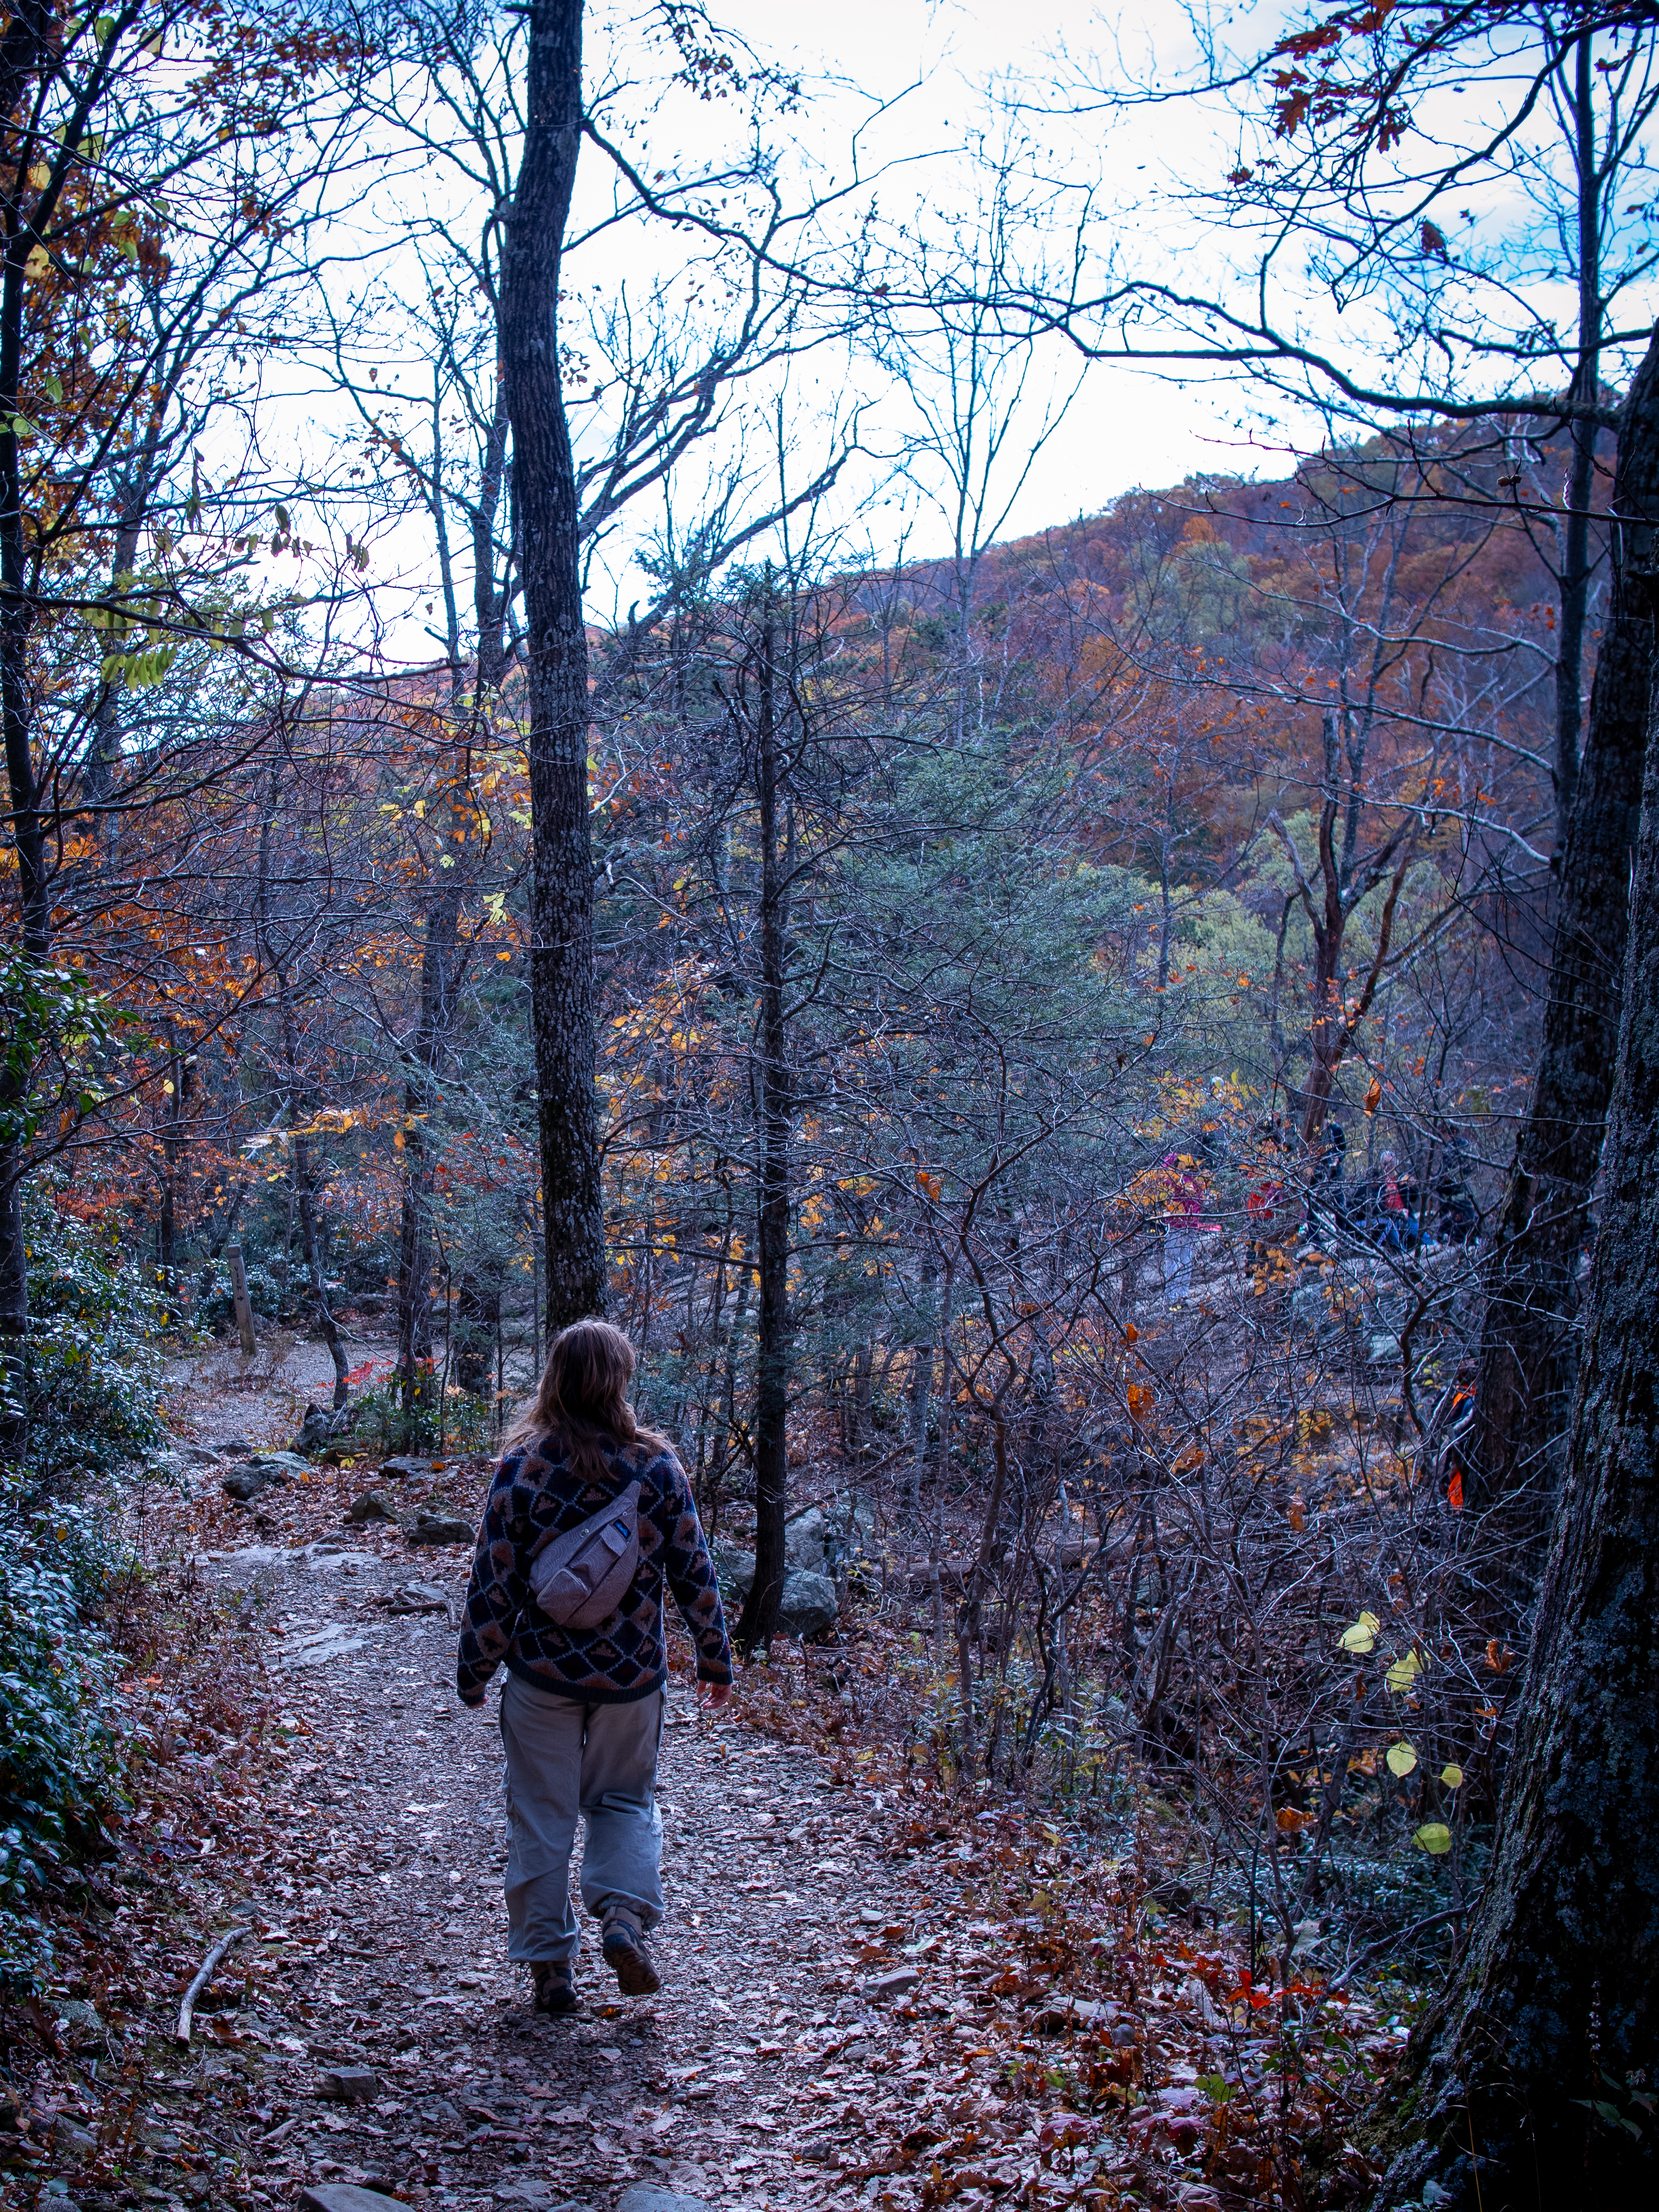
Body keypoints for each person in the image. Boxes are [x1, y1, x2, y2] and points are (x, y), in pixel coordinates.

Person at [455, 1318, 732, 2017]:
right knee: (625, 1803)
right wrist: (713, 1658)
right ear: (620, 1379)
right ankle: (622, 1919)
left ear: (554, 1377)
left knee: (541, 1815)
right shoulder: (656, 1467)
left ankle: (551, 1968)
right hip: (630, 1681)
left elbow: (493, 1582)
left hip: (542, 1677)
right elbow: (694, 1570)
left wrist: (476, 1668)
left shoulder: (522, 1469)